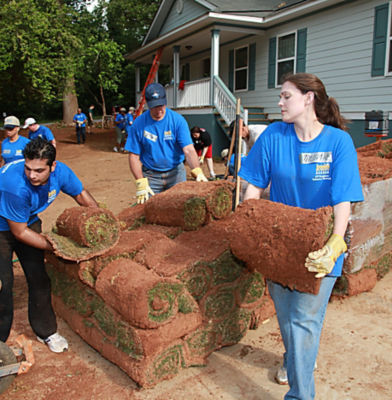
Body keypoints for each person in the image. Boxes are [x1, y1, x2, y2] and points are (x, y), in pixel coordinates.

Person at [239, 73, 364, 400]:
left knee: (303, 320)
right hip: (280, 247)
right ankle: (295, 360)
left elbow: (342, 200)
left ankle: (300, 394)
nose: (279, 103)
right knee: (287, 318)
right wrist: (248, 222)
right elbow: (253, 185)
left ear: (308, 99)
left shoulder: (338, 142)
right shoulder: (273, 137)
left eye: (285, 96)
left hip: (322, 245)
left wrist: (336, 243)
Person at [0, 137, 98, 353]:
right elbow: (19, 232)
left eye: (38, 170)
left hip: (27, 219)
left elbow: (81, 194)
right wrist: (57, 246)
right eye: (28, 168)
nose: (32, 175)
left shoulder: (61, 172)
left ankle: (46, 331)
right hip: (3, 227)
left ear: (52, 166)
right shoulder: (14, 185)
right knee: (2, 287)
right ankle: (0, 341)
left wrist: (101, 221)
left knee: (40, 279)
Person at [124, 82, 207, 203]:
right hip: (151, 175)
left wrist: (197, 170)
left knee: (180, 207)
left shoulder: (177, 121)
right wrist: (140, 181)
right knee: (150, 210)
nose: (158, 111)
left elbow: (188, 149)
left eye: (161, 106)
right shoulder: (138, 124)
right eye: (154, 107)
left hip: (176, 173)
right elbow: (134, 155)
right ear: (147, 104)